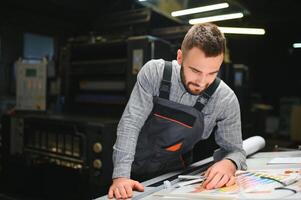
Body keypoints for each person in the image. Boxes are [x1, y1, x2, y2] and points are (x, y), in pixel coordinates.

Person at [108, 23, 247, 199]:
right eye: (195, 70)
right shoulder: (155, 73)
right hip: (128, 169)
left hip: (173, 178)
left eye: (212, 73)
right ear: (180, 57)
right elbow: (130, 123)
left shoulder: (225, 99)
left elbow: (236, 150)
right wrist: (121, 177)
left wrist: (229, 163)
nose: (202, 82)